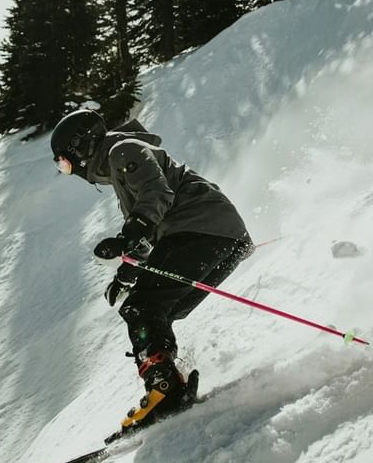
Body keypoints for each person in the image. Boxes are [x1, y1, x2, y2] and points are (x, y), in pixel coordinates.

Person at [51, 109, 253, 434]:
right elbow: (148, 230)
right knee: (157, 309)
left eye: (64, 163)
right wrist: (127, 274)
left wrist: (128, 235)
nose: (69, 171)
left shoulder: (122, 151)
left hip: (202, 229)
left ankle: (164, 387)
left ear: (81, 146)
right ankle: (169, 379)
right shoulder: (121, 165)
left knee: (142, 307)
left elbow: (156, 195)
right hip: (222, 238)